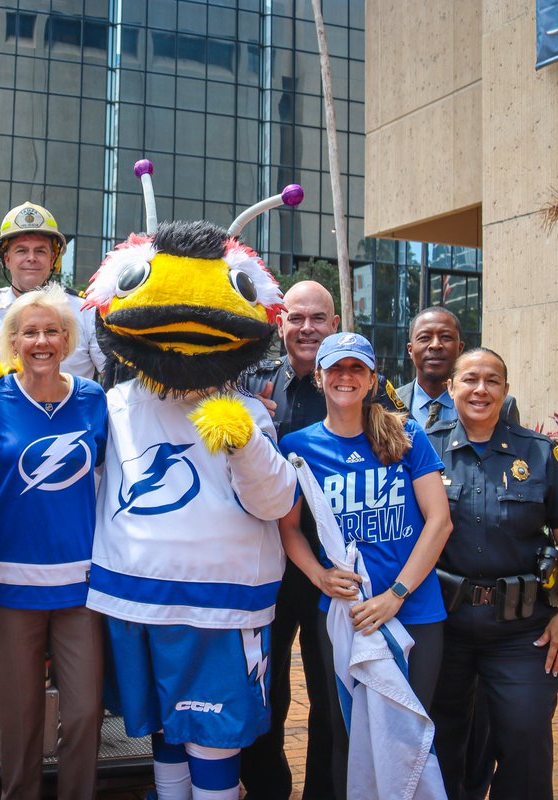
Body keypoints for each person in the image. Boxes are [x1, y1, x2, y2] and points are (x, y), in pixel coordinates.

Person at [277, 332, 452, 800]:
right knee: (346, 732)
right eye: (336, 368)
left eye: (356, 368)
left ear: (372, 379)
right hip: (345, 614)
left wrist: (396, 594)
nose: (345, 377)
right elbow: (288, 528)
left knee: (408, 733)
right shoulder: (297, 445)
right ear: (319, 378)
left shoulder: (405, 434)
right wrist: (318, 574)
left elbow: (440, 522)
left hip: (414, 612)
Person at [427, 348, 558, 800]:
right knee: (438, 743)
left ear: (505, 389)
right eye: (470, 379)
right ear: (451, 387)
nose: (480, 390)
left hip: (521, 630)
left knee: (525, 736)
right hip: (444, 625)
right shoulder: (421, 447)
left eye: (493, 381)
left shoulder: (539, 453)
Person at [0, 285, 107, 800]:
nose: (42, 341)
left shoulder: (93, 400)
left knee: (86, 712)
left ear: (68, 338)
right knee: (18, 717)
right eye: (31, 332)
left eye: (52, 331)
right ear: (13, 340)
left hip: (80, 585)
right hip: (7, 584)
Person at [238, 280, 343, 800]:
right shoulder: (251, 380)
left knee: (330, 692)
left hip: (334, 569)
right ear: (280, 322)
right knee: (267, 689)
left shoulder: (358, 383)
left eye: (318, 318)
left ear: (335, 323)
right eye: (296, 318)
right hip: (267, 564)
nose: (307, 328)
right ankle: (266, 790)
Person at [0, 202, 106, 380]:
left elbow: (112, 374)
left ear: (53, 259)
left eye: (40, 251)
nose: (31, 258)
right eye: (22, 251)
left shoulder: (85, 310)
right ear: (7, 259)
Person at [396, 306, 519, 429]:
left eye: (445, 337)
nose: (436, 345)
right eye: (425, 338)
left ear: (460, 348)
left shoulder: (501, 405)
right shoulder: (388, 403)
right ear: (410, 350)